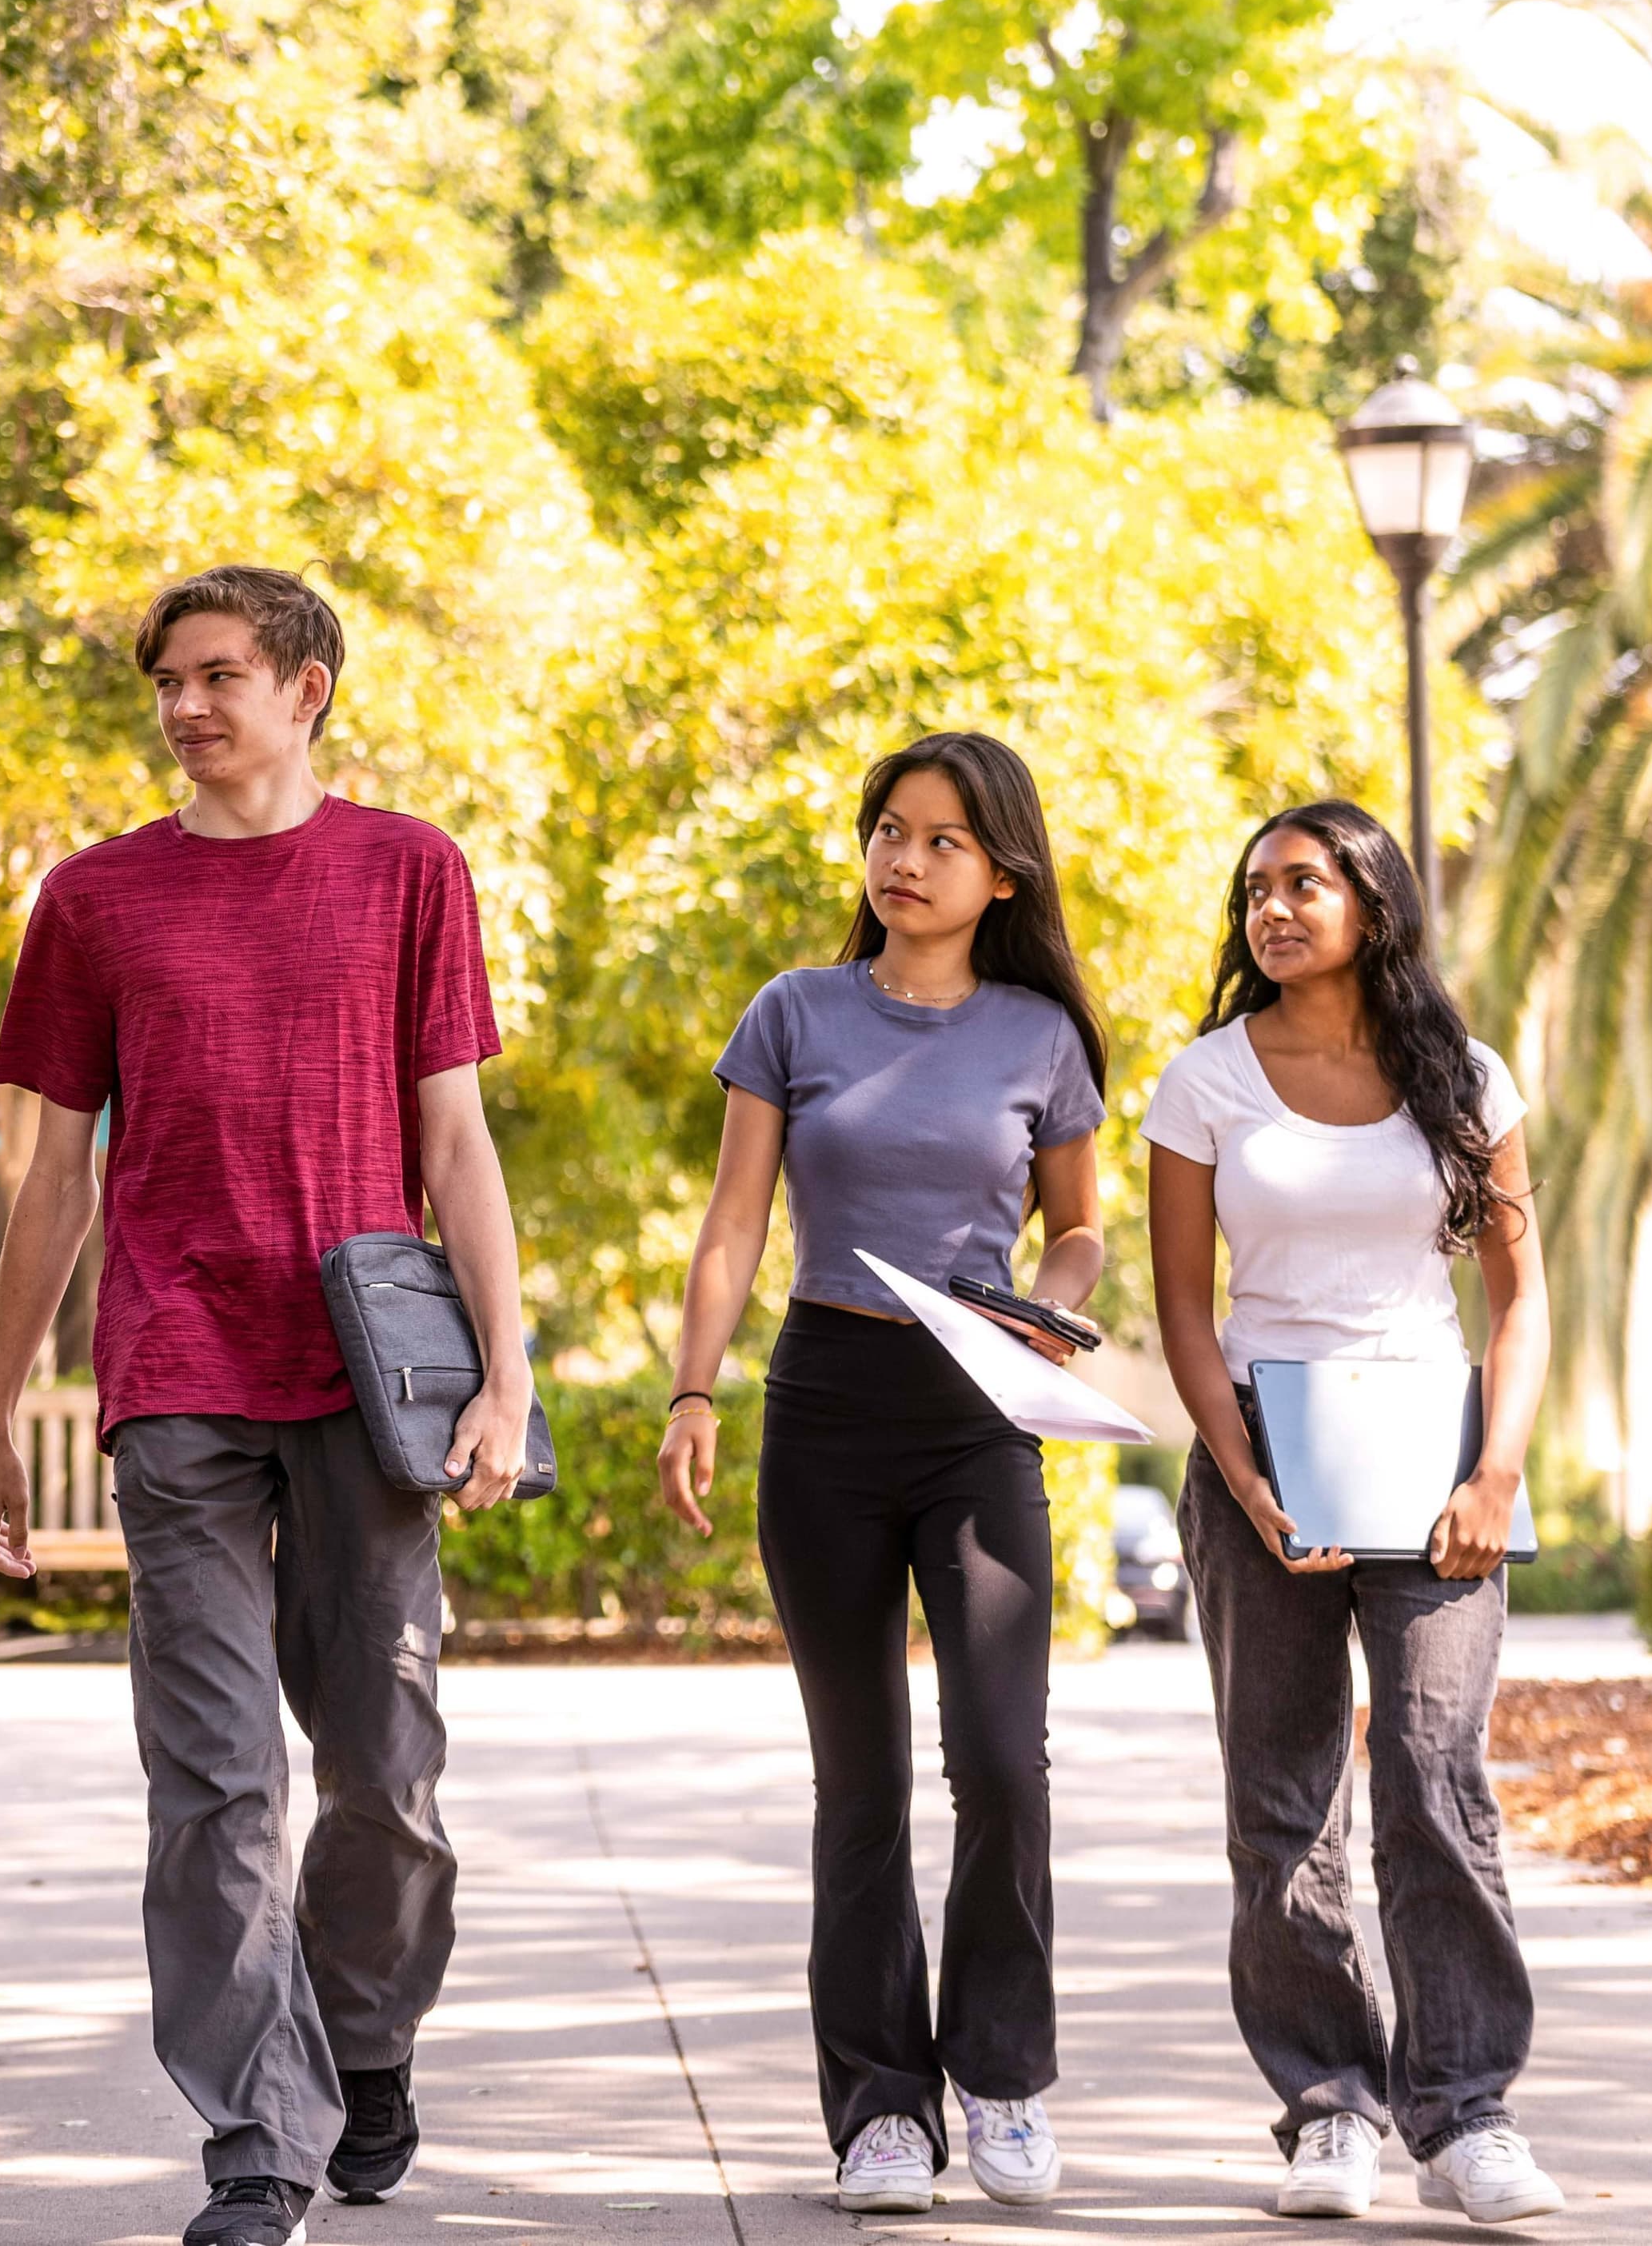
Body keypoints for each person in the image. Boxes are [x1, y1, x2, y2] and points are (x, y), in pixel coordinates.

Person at [0, 564, 533, 2246]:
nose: (188, 707)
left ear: (309, 689)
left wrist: (506, 1370)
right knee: (212, 1777)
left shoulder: (409, 871)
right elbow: (55, 1176)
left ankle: (364, 2039)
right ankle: (259, 2137)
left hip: (368, 1380)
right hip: (176, 1372)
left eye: (221, 676)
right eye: (170, 682)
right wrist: (5, 1398)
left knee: (385, 1774)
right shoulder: (94, 903)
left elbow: (455, 1144)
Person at [655, 732, 1108, 2218]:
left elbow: (1081, 1229)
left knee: (999, 1761)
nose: (903, 863)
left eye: (941, 842)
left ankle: (1004, 2080)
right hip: (828, 1404)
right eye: (888, 833)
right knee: (858, 1785)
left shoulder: (1039, 1035)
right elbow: (733, 1223)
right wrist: (692, 1389)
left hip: (981, 1412)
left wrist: (1058, 1303)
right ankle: (882, 2113)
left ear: (1001, 874)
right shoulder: (795, 1012)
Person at [1143, 799, 1564, 2225]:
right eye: (1256, 887)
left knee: (1436, 1782)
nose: (1272, 908)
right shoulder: (1202, 1084)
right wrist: (1244, 1475)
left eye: (1304, 883)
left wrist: (1494, 1471)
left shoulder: (1466, 1076)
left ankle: (1467, 2116)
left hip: (1433, 1454)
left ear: (1371, 904)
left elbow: (1520, 1302)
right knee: (1281, 1802)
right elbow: (1185, 1315)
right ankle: (1330, 2111)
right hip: (1265, 1448)